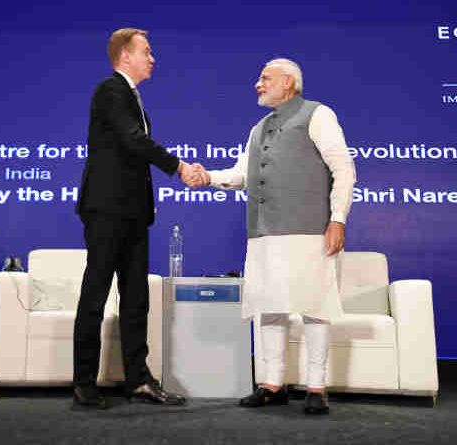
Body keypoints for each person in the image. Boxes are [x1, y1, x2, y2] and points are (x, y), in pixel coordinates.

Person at [189, 58, 356, 415]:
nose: (257, 84)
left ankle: (316, 387)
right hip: (264, 233)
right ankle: (273, 384)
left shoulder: (318, 114)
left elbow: (343, 167)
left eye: (265, 78)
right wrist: (209, 177)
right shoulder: (258, 128)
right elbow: (240, 174)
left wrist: (338, 219)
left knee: (314, 308)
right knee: (270, 307)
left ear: (289, 83)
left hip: (310, 230)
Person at [73, 28, 195, 409]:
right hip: (107, 210)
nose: (152, 58)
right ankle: (83, 383)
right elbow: (132, 141)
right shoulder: (110, 91)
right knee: (95, 296)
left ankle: (138, 380)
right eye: (146, 51)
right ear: (125, 57)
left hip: (133, 215)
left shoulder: (134, 99)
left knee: (136, 299)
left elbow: (132, 155)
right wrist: (178, 167)